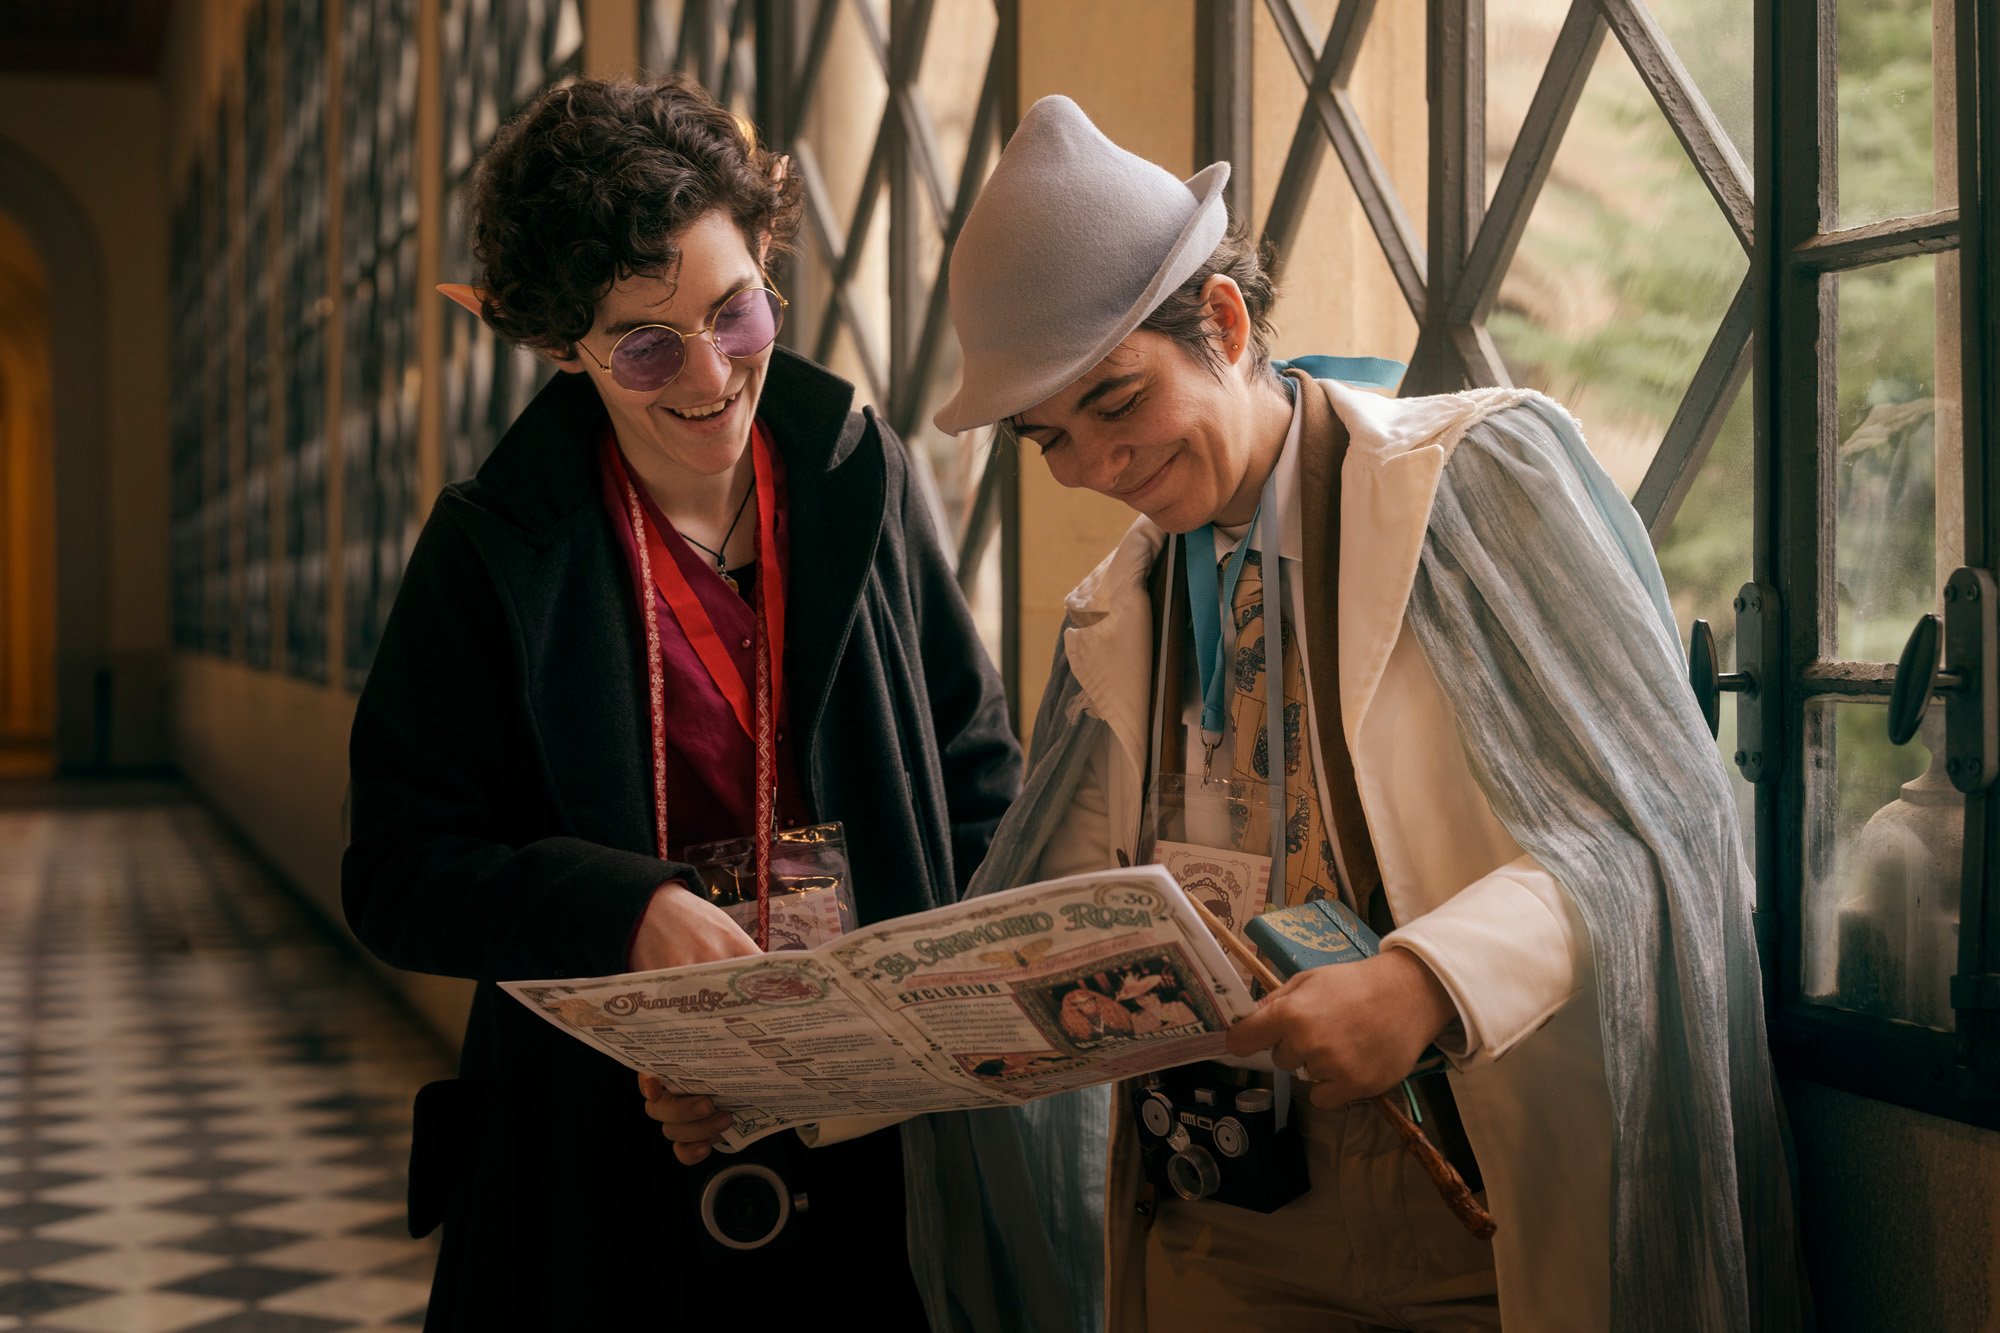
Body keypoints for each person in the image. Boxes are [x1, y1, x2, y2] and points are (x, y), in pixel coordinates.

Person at [916, 95, 1804, 1331]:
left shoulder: (1470, 486)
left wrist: (1424, 983)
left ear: (1222, 324)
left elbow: (1657, 829)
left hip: (1460, 1190)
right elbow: (1045, 928)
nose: (1095, 469)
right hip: (1205, 1210)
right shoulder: (1114, 606)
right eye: (1045, 437)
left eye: (1114, 403)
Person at [340, 76, 1020, 1330]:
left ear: (767, 259)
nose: (709, 376)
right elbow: (393, 870)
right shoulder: (498, 545)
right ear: (560, 346)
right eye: (646, 345)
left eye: (736, 311)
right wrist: (621, 905)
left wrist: (974, 1016)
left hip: (875, 1130)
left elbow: (976, 777)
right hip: (600, 1166)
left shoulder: (857, 473)